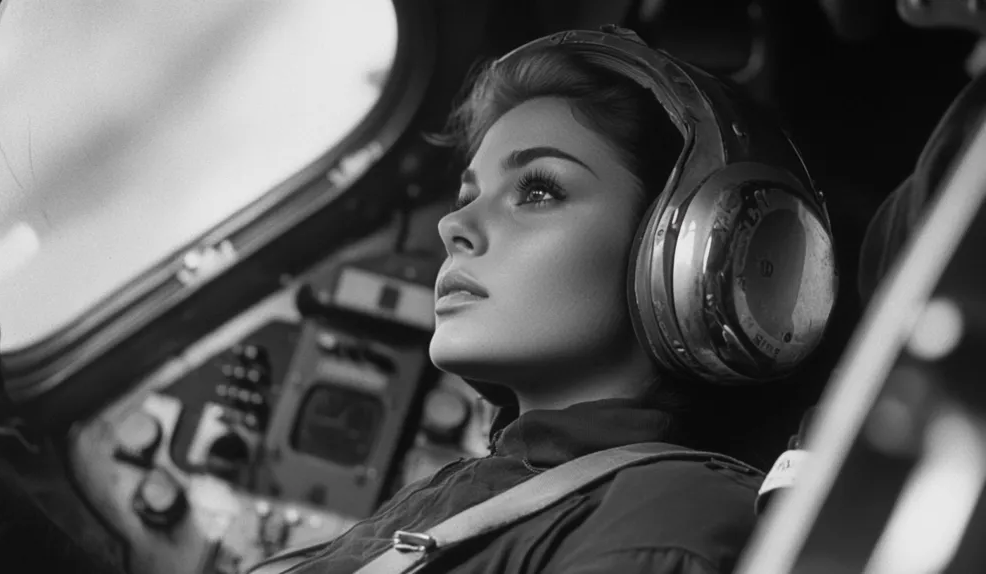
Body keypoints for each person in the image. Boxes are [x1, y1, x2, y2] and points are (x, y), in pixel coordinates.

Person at [254, 25, 838, 574]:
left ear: (686, 251)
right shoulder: (487, 489)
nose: (453, 224)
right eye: (468, 194)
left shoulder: (664, 519)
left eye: (537, 189)